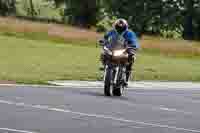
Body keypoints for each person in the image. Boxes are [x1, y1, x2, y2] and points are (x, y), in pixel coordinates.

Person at [100, 18, 140, 86]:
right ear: (115, 26)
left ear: (125, 27)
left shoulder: (129, 33)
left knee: (131, 57)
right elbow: (105, 37)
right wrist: (103, 41)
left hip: (124, 50)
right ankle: (104, 67)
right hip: (113, 49)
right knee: (104, 53)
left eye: (121, 27)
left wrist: (133, 46)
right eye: (118, 27)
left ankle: (127, 77)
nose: (119, 29)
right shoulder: (112, 32)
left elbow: (134, 41)